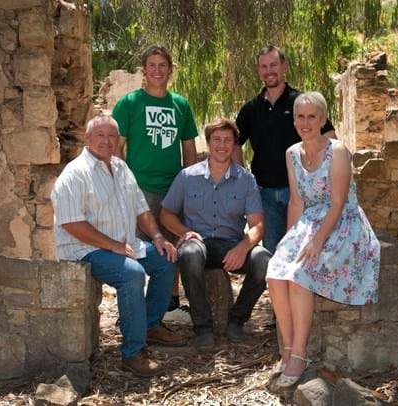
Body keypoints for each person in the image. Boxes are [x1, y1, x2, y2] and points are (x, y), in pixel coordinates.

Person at [51, 115, 187, 378]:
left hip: (125, 244)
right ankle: (132, 353)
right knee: (132, 273)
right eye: (100, 135)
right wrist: (112, 245)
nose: (107, 141)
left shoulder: (121, 168)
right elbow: (71, 224)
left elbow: (141, 210)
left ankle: (148, 326)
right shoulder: (75, 174)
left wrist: (158, 237)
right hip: (84, 249)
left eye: (112, 135)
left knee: (166, 259)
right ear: (88, 139)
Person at [266, 92, 380, 387]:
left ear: (323, 119)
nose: (306, 122)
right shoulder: (292, 154)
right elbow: (295, 202)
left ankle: (300, 354)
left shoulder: (337, 151)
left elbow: (339, 202)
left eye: (312, 116)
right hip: (307, 222)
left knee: (301, 273)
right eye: (300, 117)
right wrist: (289, 241)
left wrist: (317, 241)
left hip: (341, 223)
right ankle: (288, 349)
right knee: (276, 271)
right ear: (294, 121)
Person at [160, 118, 271, 351]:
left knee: (264, 261)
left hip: (231, 244)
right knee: (189, 254)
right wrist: (186, 232)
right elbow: (166, 214)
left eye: (228, 141)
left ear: (234, 144)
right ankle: (202, 328)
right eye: (217, 140)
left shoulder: (246, 180)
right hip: (198, 243)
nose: (222, 146)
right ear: (209, 143)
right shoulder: (187, 176)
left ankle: (237, 320)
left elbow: (257, 225)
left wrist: (242, 247)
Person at [113, 45, 199, 315]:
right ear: (144, 70)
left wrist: (190, 186)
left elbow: (189, 150)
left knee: (171, 246)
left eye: (163, 65)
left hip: (173, 188)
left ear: (170, 70)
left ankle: (170, 302)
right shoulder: (129, 103)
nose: (157, 70)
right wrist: (122, 184)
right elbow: (117, 148)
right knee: (136, 248)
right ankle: (134, 306)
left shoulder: (180, 105)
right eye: (152, 65)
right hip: (139, 188)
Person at [235, 45, 336, 255]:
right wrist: (242, 177)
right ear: (258, 70)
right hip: (265, 194)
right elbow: (235, 143)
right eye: (264, 66)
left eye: (273, 65)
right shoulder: (251, 109)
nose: (269, 70)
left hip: (301, 194)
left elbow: (330, 138)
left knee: (305, 251)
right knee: (275, 254)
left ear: (284, 67)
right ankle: (277, 290)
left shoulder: (300, 103)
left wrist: (315, 174)